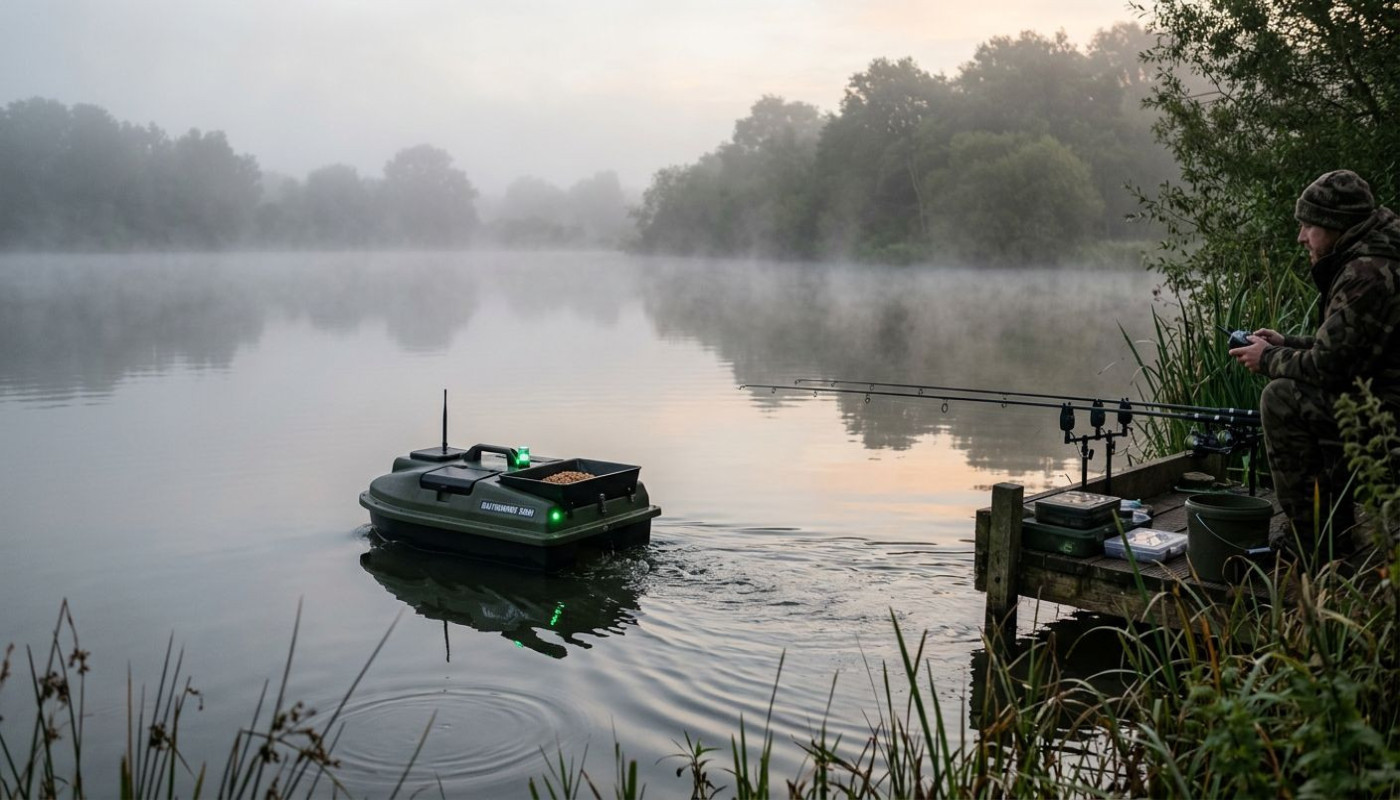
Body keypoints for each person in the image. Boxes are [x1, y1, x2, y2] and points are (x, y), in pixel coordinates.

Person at [1229, 169, 1400, 555]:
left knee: (1282, 398)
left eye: (1309, 225)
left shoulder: (1367, 273)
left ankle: (1314, 545)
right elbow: (1354, 351)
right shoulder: (1378, 254)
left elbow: (1330, 369)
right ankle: (1332, 533)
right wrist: (1287, 342)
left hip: (1390, 421)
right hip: (1384, 400)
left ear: (1337, 225)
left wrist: (1269, 358)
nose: (1301, 236)